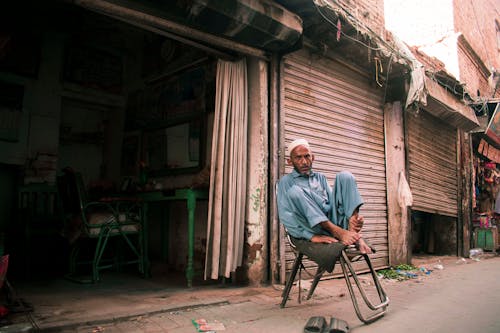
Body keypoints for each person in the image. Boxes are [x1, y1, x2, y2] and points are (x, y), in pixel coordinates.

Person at [277, 138, 372, 273]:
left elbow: (335, 203)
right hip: (311, 228)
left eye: (307, 156)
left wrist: (351, 215)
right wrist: (311, 236)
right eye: (298, 158)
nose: (304, 161)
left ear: (313, 157)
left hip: (333, 222)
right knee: (296, 192)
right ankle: (341, 232)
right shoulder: (286, 182)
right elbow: (287, 217)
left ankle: (353, 230)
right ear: (290, 161)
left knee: (345, 176)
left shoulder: (320, 178)